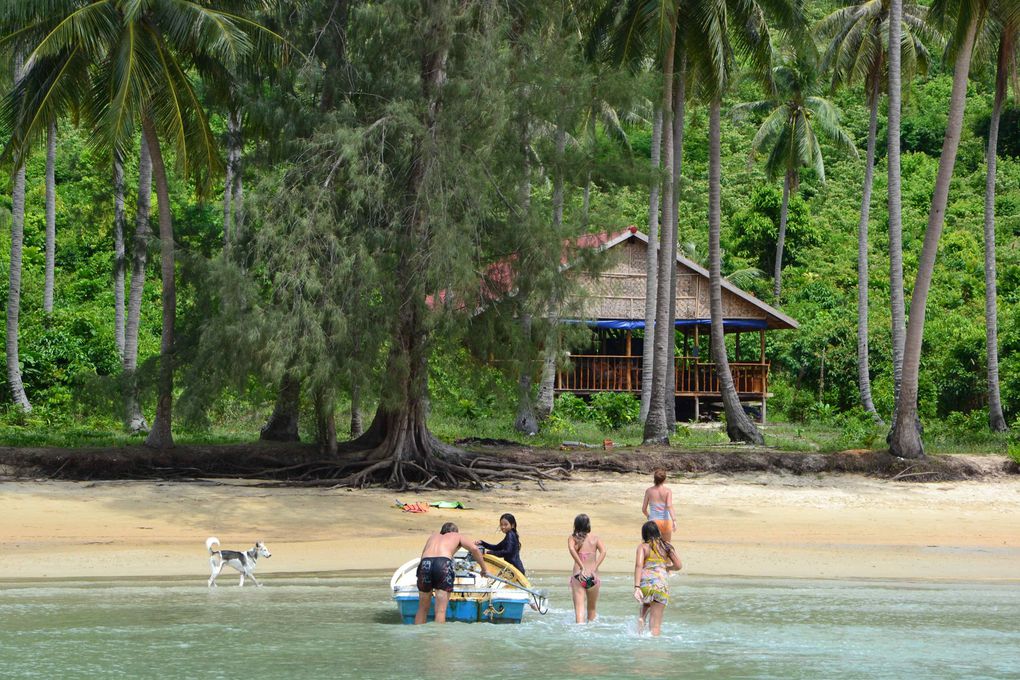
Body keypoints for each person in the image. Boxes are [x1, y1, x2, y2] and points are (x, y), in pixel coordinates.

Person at [415, 522, 488, 624]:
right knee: (440, 611)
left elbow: (423, 555)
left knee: (422, 609)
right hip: (443, 564)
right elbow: (475, 549)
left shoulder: (433, 536)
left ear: (442, 531)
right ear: (455, 531)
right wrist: (484, 569)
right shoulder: (457, 536)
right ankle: (438, 639)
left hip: (425, 563)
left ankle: (418, 636)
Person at [633, 520, 682, 636]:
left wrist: (636, 587)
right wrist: (668, 568)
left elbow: (639, 565)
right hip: (661, 586)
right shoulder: (666, 546)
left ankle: (642, 618)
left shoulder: (643, 547)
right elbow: (679, 565)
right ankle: (653, 648)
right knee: (655, 625)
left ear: (644, 534)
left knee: (646, 602)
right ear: (658, 532)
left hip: (645, 585)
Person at [567, 513, 606, 624]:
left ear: (576, 525)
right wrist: (594, 567)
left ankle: (580, 632)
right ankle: (591, 633)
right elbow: (604, 551)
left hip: (579, 576)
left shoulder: (573, 538)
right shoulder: (595, 538)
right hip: (592, 577)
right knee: (592, 609)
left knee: (579, 608)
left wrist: (581, 566)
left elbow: (571, 549)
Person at [642, 468, 677, 542]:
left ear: (654, 479)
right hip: (666, 521)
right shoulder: (668, 491)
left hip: (653, 522)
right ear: (664, 479)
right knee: (667, 546)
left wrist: (649, 516)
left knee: (653, 547)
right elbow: (669, 506)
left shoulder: (649, 491)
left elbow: (644, 509)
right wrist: (674, 520)